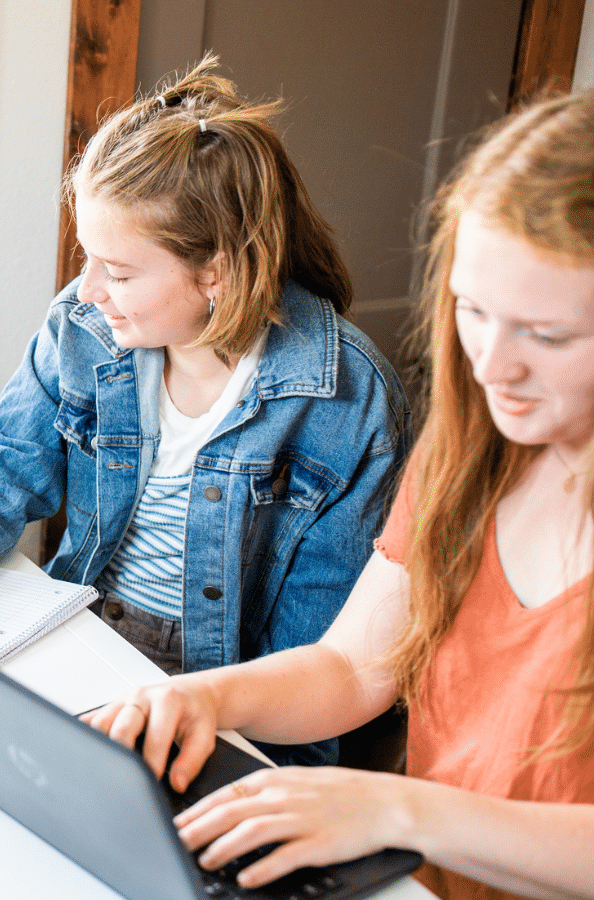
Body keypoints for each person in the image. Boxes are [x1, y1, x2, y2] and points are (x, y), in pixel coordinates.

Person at [84, 88, 594, 900]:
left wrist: (396, 808)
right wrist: (200, 697)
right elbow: (354, 669)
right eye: (473, 311)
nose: (492, 366)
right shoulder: (472, 460)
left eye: (550, 334)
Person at [0, 56, 410, 766]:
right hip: (81, 640)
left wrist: (236, 773)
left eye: (119, 271)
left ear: (216, 273)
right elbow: (3, 470)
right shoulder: (81, 332)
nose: (86, 293)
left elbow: (317, 657)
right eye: (88, 259)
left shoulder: (348, 403)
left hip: (225, 696)